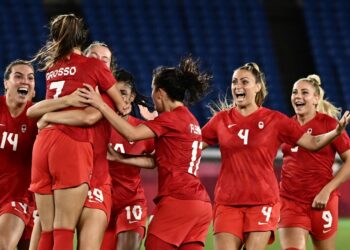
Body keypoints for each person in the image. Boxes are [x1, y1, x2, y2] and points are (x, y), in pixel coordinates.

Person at [200, 62, 350, 250]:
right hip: (242, 202)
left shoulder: (277, 120)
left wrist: (336, 132)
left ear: (258, 87)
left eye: (244, 81)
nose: (238, 86)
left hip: (269, 201)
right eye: (234, 81)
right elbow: (192, 147)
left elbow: (313, 143)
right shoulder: (222, 120)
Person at [78, 56, 213, 250]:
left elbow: (130, 132)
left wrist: (100, 105)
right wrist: (122, 158)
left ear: (159, 93)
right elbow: (155, 161)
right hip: (201, 205)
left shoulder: (171, 119)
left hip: (178, 201)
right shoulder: (190, 120)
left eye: (152, 90)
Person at [28, 14, 126, 250]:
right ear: (83, 40)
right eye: (97, 56)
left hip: (43, 144)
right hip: (71, 146)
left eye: (105, 58)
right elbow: (115, 108)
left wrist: (49, 116)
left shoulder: (53, 67)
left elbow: (34, 111)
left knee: (46, 229)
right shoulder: (95, 70)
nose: (101, 61)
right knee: (63, 230)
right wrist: (121, 105)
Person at [278, 75, 350, 250]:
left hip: (322, 201)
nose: (298, 96)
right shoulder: (286, 125)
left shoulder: (329, 124)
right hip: (290, 201)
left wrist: (326, 191)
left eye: (305, 92)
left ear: (316, 98)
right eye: (295, 92)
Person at [100, 69, 155, 250]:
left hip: (130, 202)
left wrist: (123, 159)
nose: (117, 98)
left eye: (123, 93)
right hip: (99, 204)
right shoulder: (93, 125)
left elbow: (159, 159)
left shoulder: (142, 130)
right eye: (112, 93)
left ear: (131, 98)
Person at [0, 60, 37, 249]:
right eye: (18, 76)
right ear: (6, 83)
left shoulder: (39, 118)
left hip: (19, 197)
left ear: (34, 89)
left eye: (30, 78)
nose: (25, 81)